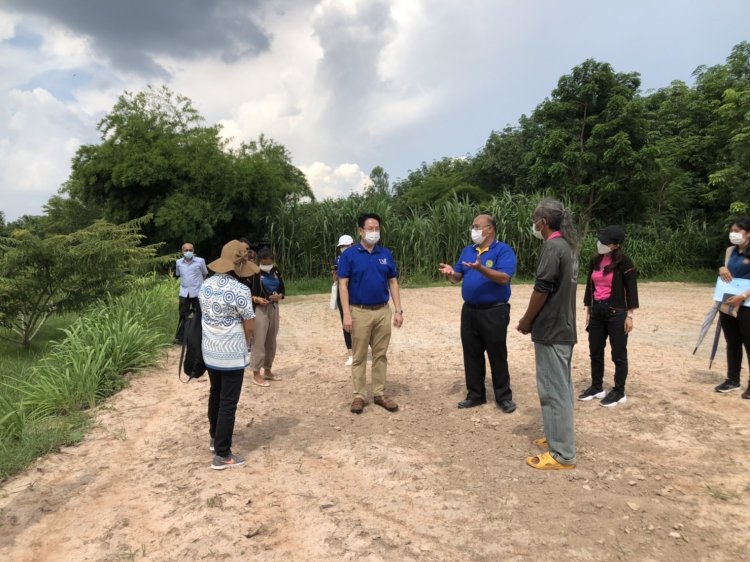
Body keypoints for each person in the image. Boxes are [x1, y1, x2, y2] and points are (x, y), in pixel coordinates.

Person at [516, 199, 579, 470]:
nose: (534, 224)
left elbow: (542, 289)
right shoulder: (567, 246)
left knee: (553, 390)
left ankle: (562, 454)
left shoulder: (552, 246)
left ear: (543, 221)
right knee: (561, 387)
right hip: (563, 327)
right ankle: (557, 437)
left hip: (551, 329)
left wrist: (526, 320)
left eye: (535, 219)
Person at [438, 214, 518, 413]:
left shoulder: (503, 250)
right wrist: (451, 273)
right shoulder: (468, 250)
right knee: (471, 353)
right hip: (470, 311)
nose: (473, 230)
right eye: (473, 226)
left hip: (495, 311)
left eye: (477, 226)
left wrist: (481, 268)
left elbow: (504, 278)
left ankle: (503, 397)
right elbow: (458, 277)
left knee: (497, 353)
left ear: (490, 229)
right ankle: (475, 394)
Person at [338, 213, 404, 414]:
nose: (374, 232)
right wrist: (347, 314)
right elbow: (343, 284)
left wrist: (398, 310)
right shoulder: (349, 255)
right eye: (369, 228)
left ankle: (379, 393)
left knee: (380, 355)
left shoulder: (385, 254)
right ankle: (359, 395)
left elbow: (392, 282)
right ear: (360, 231)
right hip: (359, 312)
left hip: (382, 311)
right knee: (358, 356)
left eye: (377, 228)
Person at [199, 240, 256, 470]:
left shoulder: (206, 285)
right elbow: (249, 325)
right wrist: (248, 341)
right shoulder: (240, 290)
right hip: (231, 354)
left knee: (216, 393)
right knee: (228, 402)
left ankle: (214, 437)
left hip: (210, 351)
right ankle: (223, 454)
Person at [580, 225, 639, 407]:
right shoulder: (595, 261)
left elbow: (631, 290)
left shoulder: (625, 263)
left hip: (616, 313)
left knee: (618, 353)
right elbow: (590, 287)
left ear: (615, 245)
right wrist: (589, 310)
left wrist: (630, 315)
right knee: (595, 350)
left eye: (605, 242)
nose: (600, 244)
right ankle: (597, 386)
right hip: (597, 311)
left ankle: (619, 391)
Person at [716, 216, 750, 399]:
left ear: (748, 233)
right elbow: (727, 273)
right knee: (732, 342)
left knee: (749, 343)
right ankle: (732, 379)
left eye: (738, 231)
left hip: (747, 303)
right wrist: (722, 267)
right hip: (729, 302)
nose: (733, 234)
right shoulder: (730, 251)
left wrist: (743, 296)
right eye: (732, 231)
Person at [249, 247, 285, 387]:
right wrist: (257, 299)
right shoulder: (254, 273)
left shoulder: (276, 271)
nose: (266, 265)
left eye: (269, 262)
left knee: (271, 340)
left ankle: (268, 370)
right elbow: (247, 293)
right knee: (259, 341)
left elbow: (282, 289)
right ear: (259, 261)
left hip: (274, 307)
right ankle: (256, 373)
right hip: (260, 309)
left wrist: (280, 296)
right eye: (264, 263)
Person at [174, 242, 207, 344]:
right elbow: (178, 274)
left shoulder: (200, 261)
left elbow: (204, 273)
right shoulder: (178, 262)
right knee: (183, 314)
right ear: (182, 252)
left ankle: (199, 337)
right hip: (184, 292)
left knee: (199, 314)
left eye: (190, 250)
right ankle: (180, 338)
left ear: (193, 251)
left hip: (197, 292)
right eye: (186, 250)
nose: (188, 252)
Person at [333, 234, 354, 365]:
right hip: (343, 294)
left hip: (357, 293)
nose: (344, 248)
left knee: (362, 321)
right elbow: (334, 276)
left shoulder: (359, 258)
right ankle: (351, 354)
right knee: (345, 322)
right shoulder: (338, 260)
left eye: (346, 246)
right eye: (342, 246)